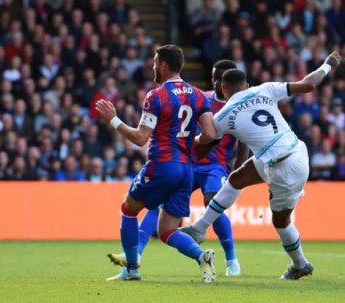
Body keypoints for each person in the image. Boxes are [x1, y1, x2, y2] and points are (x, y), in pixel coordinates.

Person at [180, 51, 342, 280]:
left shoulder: (223, 115)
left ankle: (300, 264)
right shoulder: (265, 88)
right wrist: (327, 65)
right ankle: (199, 228)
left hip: (283, 168)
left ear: (223, 90)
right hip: (293, 150)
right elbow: (307, 85)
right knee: (236, 179)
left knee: (281, 221)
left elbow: (202, 145)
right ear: (246, 85)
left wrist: (184, 142)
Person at [107, 60, 249, 276]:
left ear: (227, 82)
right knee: (163, 220)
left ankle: (232, 259)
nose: (215, 80)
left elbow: (241, 141)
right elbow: (208, 133)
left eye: (220, 76)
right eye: (213, 75)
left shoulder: (238, 107)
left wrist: (238, 173)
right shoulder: (202, 96)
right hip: (189, 163)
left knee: (212, 203)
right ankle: (144, 255)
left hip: (212, 166)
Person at [96, 45, 217, 282]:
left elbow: (141, 137)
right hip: (186, 169)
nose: (152, 66)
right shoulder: (199, 95)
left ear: (163, 65)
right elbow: (210, 134)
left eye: (154, 62)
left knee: (128, 209)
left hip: (162, 165)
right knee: (167, 231)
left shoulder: (156, 95)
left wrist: (113, 120)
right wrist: (185, 143)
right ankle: (202, 257)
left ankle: (131, 269)